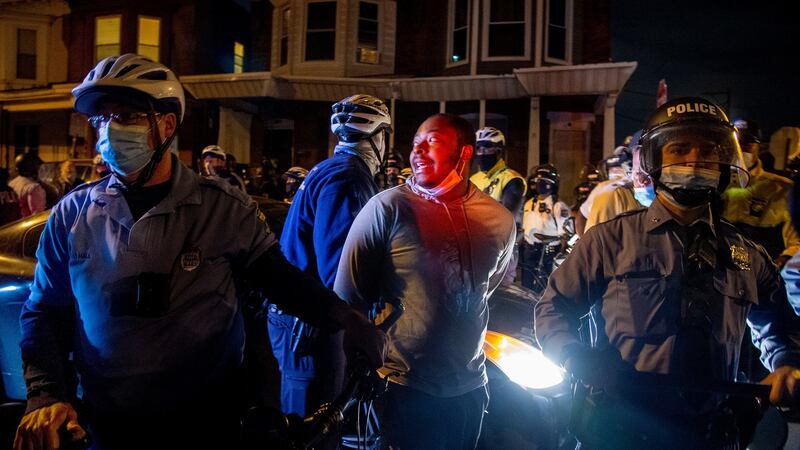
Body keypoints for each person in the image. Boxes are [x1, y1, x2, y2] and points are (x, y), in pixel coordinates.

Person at [13, 54, 387, 450]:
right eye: (101, 119)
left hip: (208, 424)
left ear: (167, 124)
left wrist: (348, 319)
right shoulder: (73, 214)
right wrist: (46, 394)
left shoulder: (223, 207)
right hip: (108, 424)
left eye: (125, 116)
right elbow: (43, 311)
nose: (108, 131)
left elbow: (281, 281)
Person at [534, 97, 800, 449]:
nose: (696, 158)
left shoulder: (746, 254)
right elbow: (553, 309)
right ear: (654, 159)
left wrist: (786, 365)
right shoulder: (610, 240)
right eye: (679, 149)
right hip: (620, 430)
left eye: (708, 149)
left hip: (712, 435)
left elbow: (782, 330)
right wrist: (574, 354)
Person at [335, 113, 516, 449]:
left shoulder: (499, 219)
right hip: (401, 387)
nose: (416, 152)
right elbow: (348, 296)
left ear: (463, 153)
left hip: (469, 388)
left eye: (430, 142)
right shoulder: (387, 208)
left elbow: (481, 291)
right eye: (415, 143)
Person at [269, 94, 391, 419]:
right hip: (311, 325)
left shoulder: (328, 168)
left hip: (298, 315)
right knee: (314, 425)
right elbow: (340, 270)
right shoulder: (349, 178)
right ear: (379, 137)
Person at [722, 119, 799, 269]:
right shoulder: (714, 183)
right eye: (736, 144)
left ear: (760, 147)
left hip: (763, 274)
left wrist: (783, 260)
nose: (740, 150)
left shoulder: (781, 188)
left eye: (747, 145)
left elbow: (796, 241)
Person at [520, 164, 570, 293]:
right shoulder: (529, 203)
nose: (540, 184)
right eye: (538, 181)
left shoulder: (558, 205)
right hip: (529, 249)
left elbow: (565, 233)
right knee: (526, 285)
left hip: (549, 251)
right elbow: (524, 227)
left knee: (546, 286)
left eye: (545, 182)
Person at [578, 144, 639, 235]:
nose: (615, 172)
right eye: (613, 168)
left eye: (619, 168)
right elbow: (581, 217)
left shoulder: (641, 187)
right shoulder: (605, 188)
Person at [469, 126, 526, 213]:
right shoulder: (474, 179)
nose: (481, 154)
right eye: (478, 149)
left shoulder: (512, 179)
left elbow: (508, 217)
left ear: (498, 151)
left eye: (486, 149)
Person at [9, 151, 46, 218]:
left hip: (13, 226)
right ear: (33, 168)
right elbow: (37, 216)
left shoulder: (11, 183)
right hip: (27, 226)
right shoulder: (34, 187)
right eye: (38, 167)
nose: (40, 170)